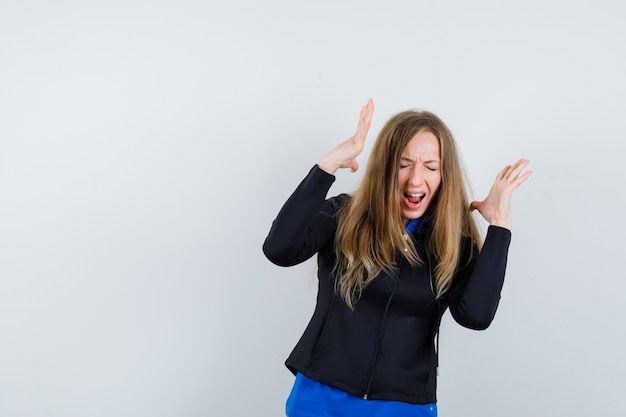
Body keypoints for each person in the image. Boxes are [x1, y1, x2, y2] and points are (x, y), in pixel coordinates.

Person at [262, 98, 531, 417]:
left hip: (404, 406)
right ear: (385, 167)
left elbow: (475, 316)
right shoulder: (344, 216)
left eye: (431, 167)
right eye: (404, 164)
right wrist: (328, 166)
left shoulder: (452, 244)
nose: (416, 179)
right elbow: (279, 249)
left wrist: (500, 227)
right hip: (322, 398)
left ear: (444, 175)